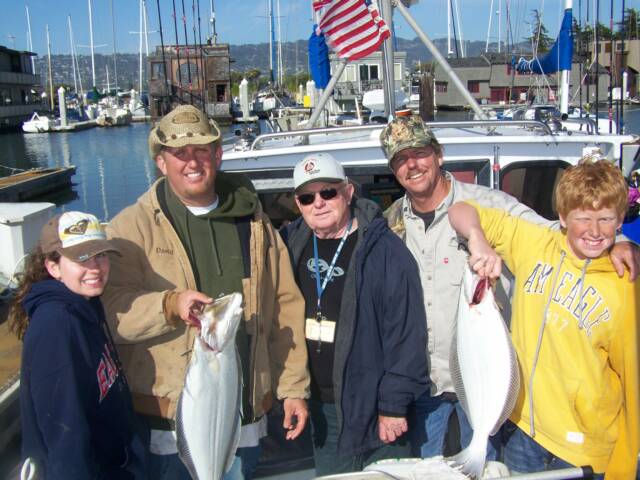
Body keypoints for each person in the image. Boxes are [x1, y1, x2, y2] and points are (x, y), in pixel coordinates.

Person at [379, 115, 640, 459]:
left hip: (486, 379)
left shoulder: (490, 204)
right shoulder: (391, 224)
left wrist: (618, 240)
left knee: (489, 464)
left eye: (420, 153)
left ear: (438, 154)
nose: (412, 164)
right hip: (428, 382)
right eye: (400, 159)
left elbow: (559, 232)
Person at [101, 105, 310, 480]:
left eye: (202, 150)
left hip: (245, 417)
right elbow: (113, 313)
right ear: (161, 163)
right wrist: (168, 305)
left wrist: (293, 387)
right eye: (180, 153)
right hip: (166, 425)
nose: (192, 161)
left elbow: (285, 306)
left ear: (218, 154)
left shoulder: (255, 221)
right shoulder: (130, 227)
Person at [448, 158, 639, 479]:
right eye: (583, 218)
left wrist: (623, 468)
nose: (594, 231)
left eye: (606, 219)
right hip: (523, 432)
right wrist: (478, 237)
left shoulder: (625, 288)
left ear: (621, 220)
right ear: (563, 217)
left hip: (586, 451)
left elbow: (634, 383)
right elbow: (460, 211)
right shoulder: (534, 243)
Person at [280, 153, 429, 476]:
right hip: (322, 410)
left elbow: (407, 335)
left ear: (348, 192)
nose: (318, 203)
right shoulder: (291, 245)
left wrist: (393, 405)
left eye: (328, 192)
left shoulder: (385, 251)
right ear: (298, 204)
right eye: (307, 198)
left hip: (375, 407)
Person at [9, 211, 149, 479]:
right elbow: (64, 433)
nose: (95, 268)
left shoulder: (87, 305)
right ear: (53, 267)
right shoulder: (57, 326)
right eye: (81, 259)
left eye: (100, 255)